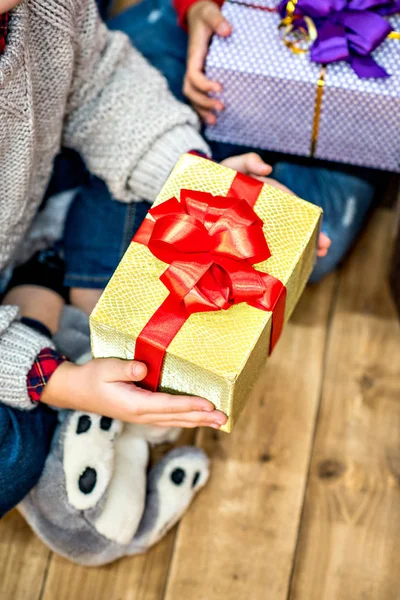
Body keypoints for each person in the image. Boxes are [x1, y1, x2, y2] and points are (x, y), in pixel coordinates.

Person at [107, 0, 381, 284]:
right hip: (229, 27)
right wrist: (195, 7)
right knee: (121, 62)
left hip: (352, 93)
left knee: (305, 248)